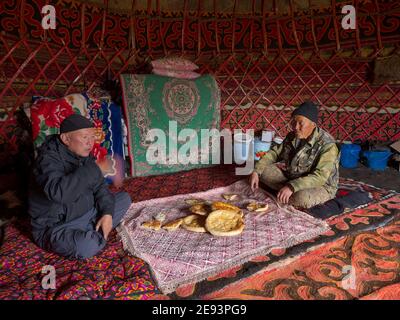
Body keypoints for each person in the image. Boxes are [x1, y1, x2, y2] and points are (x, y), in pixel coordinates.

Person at [29, 114, 132, 259]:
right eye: (85, 137)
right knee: (86, 246)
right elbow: (60, 193)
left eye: (92, 137)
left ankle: (96, 228)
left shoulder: (83, 155)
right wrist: (96, 169)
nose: (90, 143)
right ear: (66, 139)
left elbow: (100, 188)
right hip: (57, 226)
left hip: (86, 213)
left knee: (124, 198)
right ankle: (93, 235)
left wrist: (107, 213)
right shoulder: (46, 161)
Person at [249, 101, 340, 209]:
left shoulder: (327, 145)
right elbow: (274, 153)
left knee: (301, 197)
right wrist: (256, 171)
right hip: (292, 177)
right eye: (294, 122)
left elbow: (320, 177)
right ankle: (285, 192)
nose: (295, 127)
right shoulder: (292, 136)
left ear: (313, 124)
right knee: (261, 169)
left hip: (320, 186)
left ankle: (287, 193)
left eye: (301, 123)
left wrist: (292, 187)